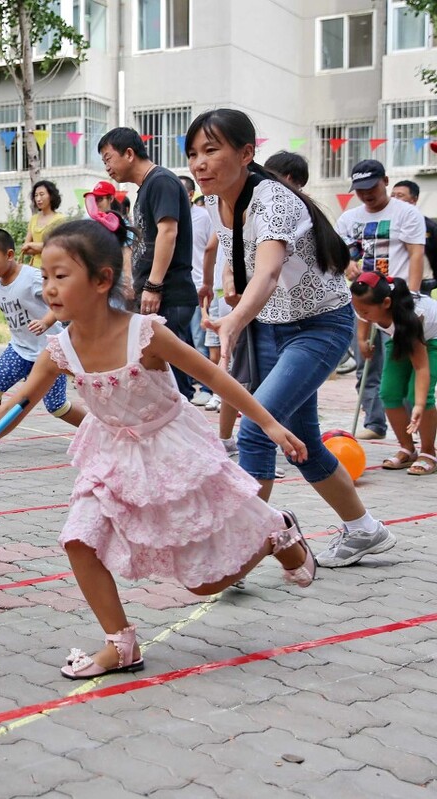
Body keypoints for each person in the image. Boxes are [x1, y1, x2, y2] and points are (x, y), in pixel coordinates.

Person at [0, 219, 315, 679]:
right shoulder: (59, 350)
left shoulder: (146, 334)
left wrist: (271, 425)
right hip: (112, 453)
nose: (49, 289)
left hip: (172, 449)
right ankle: (121, 644)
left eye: (61, 276)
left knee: (205, 583)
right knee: (79, 538)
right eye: (46, 277)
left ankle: (277, 532)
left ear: (101, 280)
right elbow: (17, 404)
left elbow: (215, 378)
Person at [186, 108, 394, 569]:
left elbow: (270, 268)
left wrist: (234, 321)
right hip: (272, 326)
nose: (199, 163)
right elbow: (239, 263)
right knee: (304, 442)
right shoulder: (218, 203)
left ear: (245, 153)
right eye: (193, 153)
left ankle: (240, 551)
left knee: (257, 433)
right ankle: (365, 531)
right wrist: (229, 297)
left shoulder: (273, 200)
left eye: (211, 150)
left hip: (320, 327)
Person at [98, 127, 197, 401]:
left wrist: (154, 285)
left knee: (169, 381)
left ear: (129, 153)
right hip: (154, 294)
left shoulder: (161, 181)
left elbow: (168, 233)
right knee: (155, 376)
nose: (107, 167)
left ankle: (184, 439)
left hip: (169, 294)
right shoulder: (145, 188)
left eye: (108, 158)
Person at [337, 159, 427, 441]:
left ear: (385, 181)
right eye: (360, 189)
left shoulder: (407, 214)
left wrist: (410, 298)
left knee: (403, 365)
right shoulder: (348, 219)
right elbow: (342, 254)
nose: (366, 194)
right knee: (366, 363)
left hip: (396, 304)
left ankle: (415, 429)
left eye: (371, 187)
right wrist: (348, 266)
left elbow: (415, 255)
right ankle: (375, 423)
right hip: (364, 303)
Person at [0, 229, 83, 455]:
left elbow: (60, 299)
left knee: (57, 406)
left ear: (10, 254)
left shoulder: (31, 277)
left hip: (49, 352)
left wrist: (45, 321)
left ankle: (101, 431)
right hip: (20, 349)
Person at [350, 273, 437, 476]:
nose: (361, 313)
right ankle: (408, 448)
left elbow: (421, 368)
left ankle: (428, 452)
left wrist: (418, 405)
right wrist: (362, 340)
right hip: (398, 338)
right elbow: (363, 317)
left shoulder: (412, 317)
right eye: (357, 308)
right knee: (389, 392)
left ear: (386, 303)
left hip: (431, 340)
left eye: (365, 310)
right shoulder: (369, 306)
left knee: (418, 395)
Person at [182, 174, 216, 405]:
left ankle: (207, 388)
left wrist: (207, 283)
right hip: (179, 287)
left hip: (199, 285)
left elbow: (210, 251)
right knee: (184, 342)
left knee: (201, 338)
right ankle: (189, 388)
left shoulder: (204, 217)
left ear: (191, 194)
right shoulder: (174, 218)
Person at [389, 179, 437, 294]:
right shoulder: (387, 224)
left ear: (414, 200)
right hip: (393, 281)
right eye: (392, 195)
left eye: (400, 195)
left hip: (423, 282)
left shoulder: (428, 226)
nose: (394, 199)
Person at [20, 180, 66, 268]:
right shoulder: (34, 219)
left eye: (42, 194)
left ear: (51, 196)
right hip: (34, 268)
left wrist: (32, 245)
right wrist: (41, 246)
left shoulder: (60, 219)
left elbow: (57, 247)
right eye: (36, 195)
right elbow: (25, 248)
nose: (38, 199)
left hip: (52, 267)